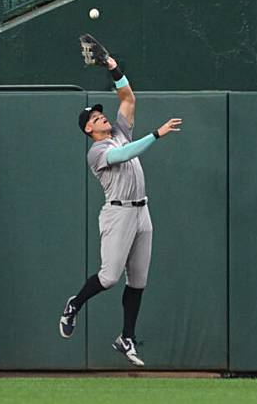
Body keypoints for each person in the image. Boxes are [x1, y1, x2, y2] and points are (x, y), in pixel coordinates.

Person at [59, 55, 182, 368]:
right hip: (118, 214)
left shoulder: (119, 132)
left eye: (101, 114)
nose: (102, 117)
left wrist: (113, 67)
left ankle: (126, 336)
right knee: (110, 277)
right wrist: (156, 134)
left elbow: (128, 98)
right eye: (96, 118)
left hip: (142, 211)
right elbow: (126, 153)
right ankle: (74, 303)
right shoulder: (98, 151)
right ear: (89, 128)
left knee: (138, 280)